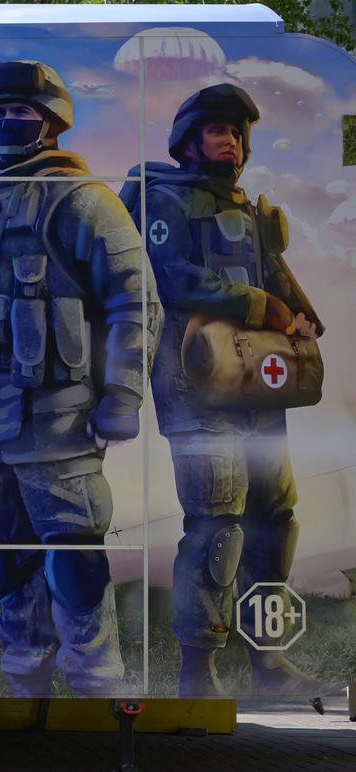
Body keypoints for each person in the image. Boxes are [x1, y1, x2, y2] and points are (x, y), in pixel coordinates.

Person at [0, 60, 161, 697]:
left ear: (51, 122)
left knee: (73, 541)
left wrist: (125, 391)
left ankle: (92, 663)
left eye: (19, 111)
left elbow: (135, 300)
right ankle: (25, 651)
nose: (4, 122)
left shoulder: (84, 200)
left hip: (59, 414)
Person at [132, 84, 322, 697]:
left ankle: (267, 662)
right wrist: (257, 303)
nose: (230, 141)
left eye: (237, 132)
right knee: (217, 523)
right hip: (194, 385)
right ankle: (199, 672)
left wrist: (297, 311)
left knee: (275, 518)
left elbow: (275, 273)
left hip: (257, 386)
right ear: (188, 141)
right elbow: (174, 276)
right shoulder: (164, 201)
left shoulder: (248, 208)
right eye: (217, 130)